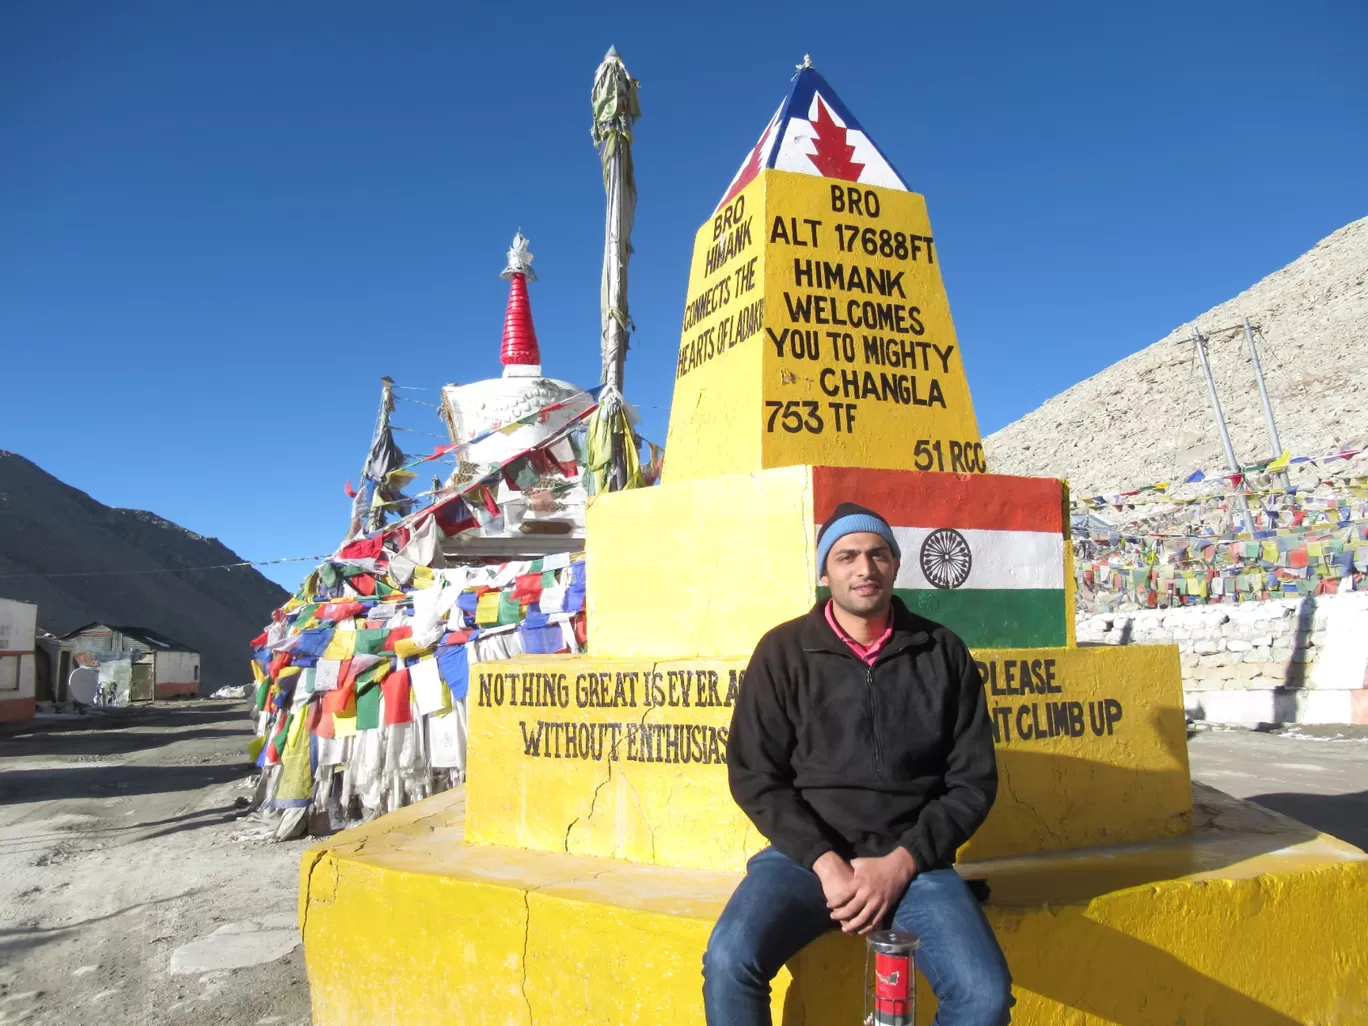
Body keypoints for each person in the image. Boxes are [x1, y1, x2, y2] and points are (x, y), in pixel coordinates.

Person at [703, 502, 1012, 1026]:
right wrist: (825, 862)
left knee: (983, 998)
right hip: (804, 862)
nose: (864, 569)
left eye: (877, 554)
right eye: (846, 557)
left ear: (895, 563)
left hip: (914, 863)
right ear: (825, 572)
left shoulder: (942, 652)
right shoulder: (782, 652)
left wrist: (902, 862)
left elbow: (971, 782)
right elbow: (755, 775)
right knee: (730, 961)